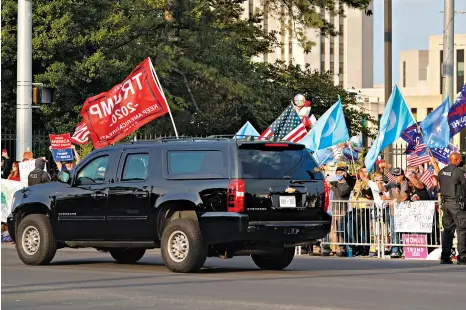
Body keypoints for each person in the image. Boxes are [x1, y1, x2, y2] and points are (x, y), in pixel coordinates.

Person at [438, 152, 466, 265]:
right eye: (460, 159)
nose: (461, 161)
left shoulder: (441, 171)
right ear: (456, 160)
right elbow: (465, 185)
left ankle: (445, 256)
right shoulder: (459, 172)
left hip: (445, 204)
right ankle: (463, 257)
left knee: (448, 231)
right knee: (462, 230)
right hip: (457, 204)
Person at [327, 166, 354, 256]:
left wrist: (332, 188)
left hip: (342, 209)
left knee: (341, 229)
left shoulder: (347, 185)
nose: (338, 175)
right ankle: (335, 248)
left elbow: (342, 193)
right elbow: (327, 182)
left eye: (340, 173)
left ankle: (342, 248)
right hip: (334, 209)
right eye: (337, 173)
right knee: (334, 229)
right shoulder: (335, 183)